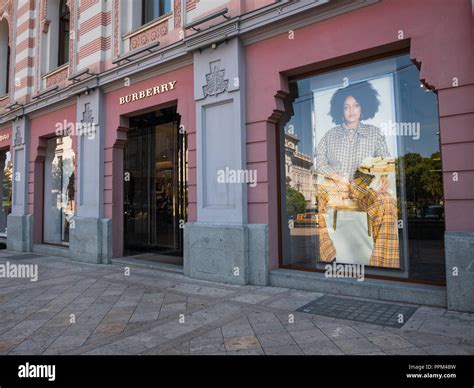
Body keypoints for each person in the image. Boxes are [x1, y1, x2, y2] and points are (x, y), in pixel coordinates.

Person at [315, 81, 399, 268]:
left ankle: (382, 265)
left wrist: (384, 177)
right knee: (315, 200)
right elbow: (318, 162)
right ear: (340, 110)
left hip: (363, 188)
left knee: (388, 203)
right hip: (336, 187)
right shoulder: (330, 135)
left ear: (364, 107)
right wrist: (337, 178)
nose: (351, 111)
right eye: (346, 107)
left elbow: (386, 161)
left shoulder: (374, 133)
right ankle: (328, 255)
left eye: (356, 105)